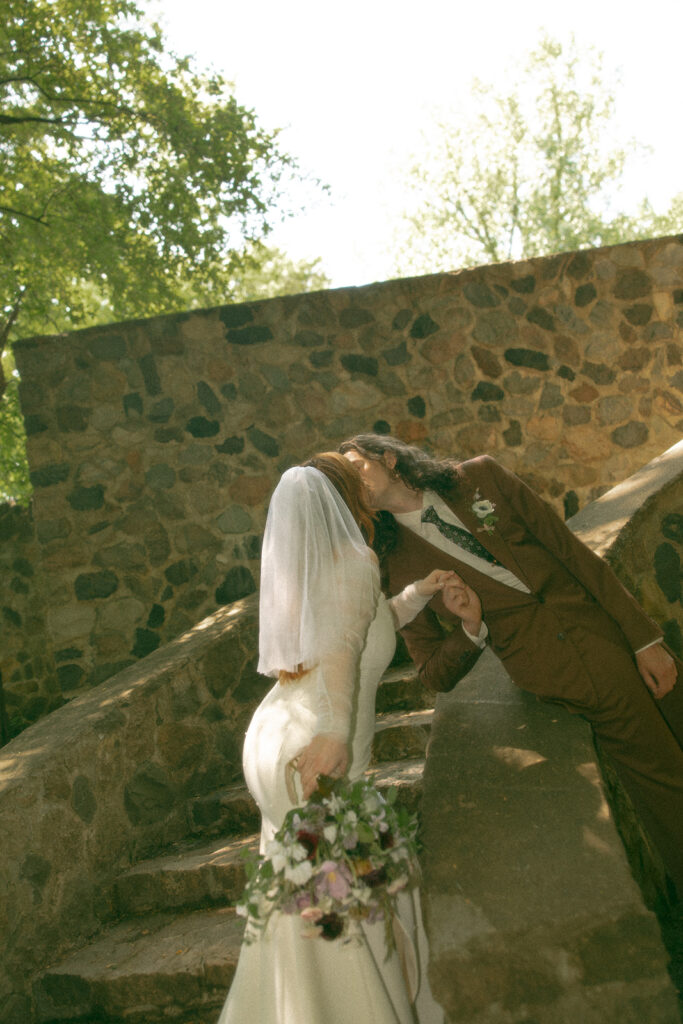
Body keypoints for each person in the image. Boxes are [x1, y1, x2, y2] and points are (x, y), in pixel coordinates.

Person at [339, 433, 683, 899]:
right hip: (562, 677)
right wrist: (469, 628)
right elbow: (431, 674)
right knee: (662, 786)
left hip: (608, 635)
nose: (352, 477)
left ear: (388, 457)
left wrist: (645, 638)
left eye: (354, 463)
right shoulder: (396, 568)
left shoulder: (480, 478)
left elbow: (572, 553)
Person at [217, 452, 447, 1024]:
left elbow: (363, 627)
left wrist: (419, 593)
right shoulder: (354, 558)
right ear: (345, 499)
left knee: (314, 904)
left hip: (275, 739)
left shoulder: (317, 571)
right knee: (349, 903)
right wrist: (337, 735)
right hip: (316, 745)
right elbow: (342, 651)